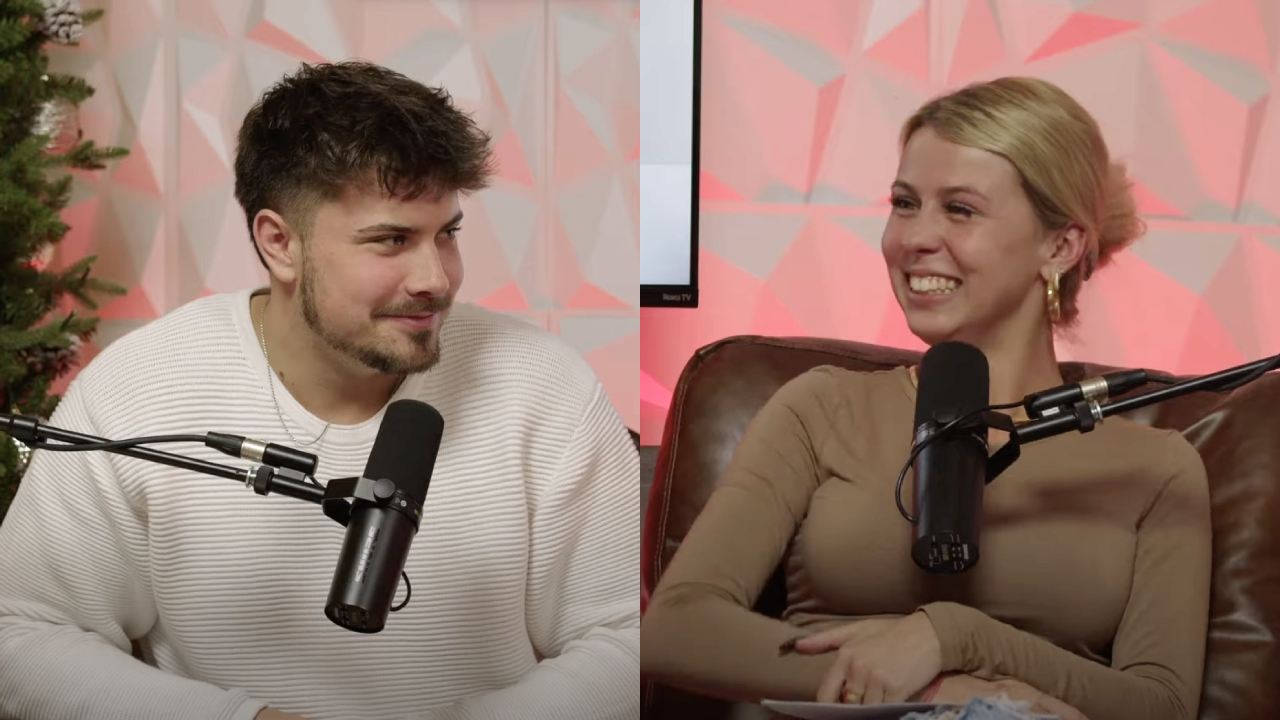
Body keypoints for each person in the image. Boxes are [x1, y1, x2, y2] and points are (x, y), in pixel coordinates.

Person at [0, 61, 639, 720]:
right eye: (391, 240)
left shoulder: (549, 388)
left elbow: (624, 640)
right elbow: (24, 634)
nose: (436, 279)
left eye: (446, 234)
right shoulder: (138, 387)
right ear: (279, 243)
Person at [639, 76, 1212, 720]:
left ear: (1060, 245)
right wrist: (927, 686)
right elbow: (675, 628)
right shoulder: (822, 408)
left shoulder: (1156, 468)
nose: (912, 238)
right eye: (905, 203)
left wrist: (953, 639)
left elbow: (1160, 706)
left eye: (959, 209)